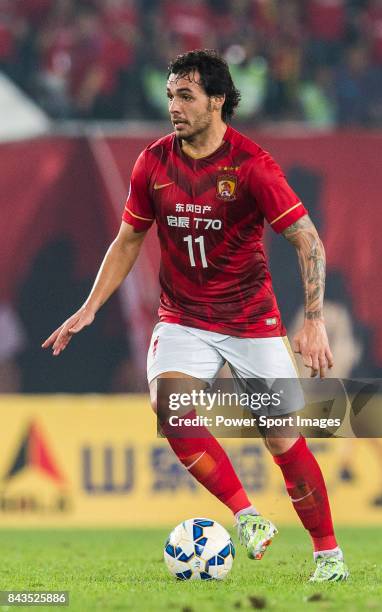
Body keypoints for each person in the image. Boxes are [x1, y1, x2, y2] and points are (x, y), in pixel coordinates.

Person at [42, 49, 348, 582]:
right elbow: (128, 239)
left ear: (218, 100)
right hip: (184, 318)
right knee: (170, 408)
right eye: (170, 97)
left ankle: (329, 556)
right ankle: (248, 517)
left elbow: (308, 241)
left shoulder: (252, 165)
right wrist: (89, 308)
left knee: (282, 439)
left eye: (186, 96)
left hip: (252, 321)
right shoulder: (153, 163)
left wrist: (315, 318)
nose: (175, 107)